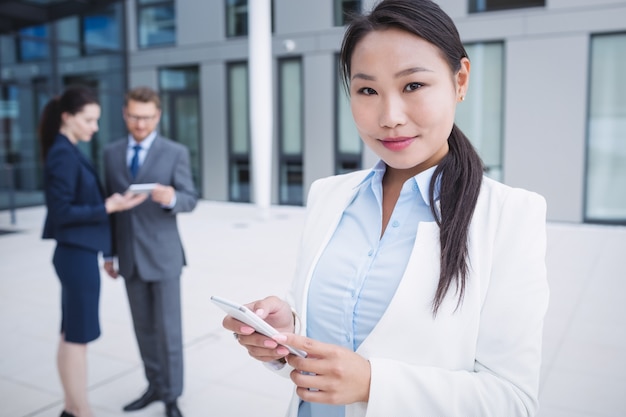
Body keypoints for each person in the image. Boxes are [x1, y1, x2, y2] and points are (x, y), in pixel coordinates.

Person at [222, 1, 550, 416]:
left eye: (413, 86)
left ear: (460, 80)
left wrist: (374, 384)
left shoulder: (510, 217)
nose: (390, 117)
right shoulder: (329, 195)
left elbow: (513, 401)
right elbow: (337, 337)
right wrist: (286, 331)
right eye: (367, 91)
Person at [40, 85, 147, 417]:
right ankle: (80, 411)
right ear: (67, 117)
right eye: (88, 120)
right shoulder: (62, 152)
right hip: (76, 254)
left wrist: (111, 205)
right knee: (77, 337)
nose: (94, 128)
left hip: (78, 254)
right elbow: (61, 213)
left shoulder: (68, 149)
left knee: (70, 332)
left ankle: (72, 408)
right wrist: (109, 205)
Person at [103, 86, 197, 417]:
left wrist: (170, 198)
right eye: (134, 117)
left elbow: (190, 198)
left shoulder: (175, 152)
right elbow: (110, 210)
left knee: (169, 331)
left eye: (146, 118)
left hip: (164, 257)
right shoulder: (111, 153)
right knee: (143, 330)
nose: (140, 124)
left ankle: (171, 396)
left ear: (157, 116)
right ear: (125, 114)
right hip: (129, 256)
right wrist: (109, 254)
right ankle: (154, 385)